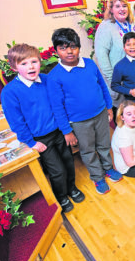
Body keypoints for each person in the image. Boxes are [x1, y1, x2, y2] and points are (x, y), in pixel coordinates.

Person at [1, 43, 82, 212]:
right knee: (57, 170)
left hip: (59, 132)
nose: (30, 66)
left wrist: (67, 129)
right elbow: (16, 121)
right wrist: (30, 142)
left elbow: (60, 104)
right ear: (14, 67)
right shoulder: (10, 92)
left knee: (68, 162)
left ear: (40, 62)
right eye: (23, 64)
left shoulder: (46, 80)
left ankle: (71, 188)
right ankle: (61, 196)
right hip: (41, 139)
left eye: (33, 62)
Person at [47, 28, 122, 195]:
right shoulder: (54, 77)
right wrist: (67, 131)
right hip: (79, 122)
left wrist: (109, 107)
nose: (69, 51)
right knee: (88, 150)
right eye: (63, 48)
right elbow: (57, 106)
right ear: (56, 50)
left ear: (79, 47)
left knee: (104, 145)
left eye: (73, 46)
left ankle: (108, 168)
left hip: (101, 114)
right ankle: (97, 176)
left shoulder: (89, 63)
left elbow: (102, 85)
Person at [95, 0, 135, 112]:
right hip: (121, 83)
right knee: (125, 117)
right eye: (117, 6)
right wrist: (115, 81)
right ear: (111, 9)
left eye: (124, 6)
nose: (122, 9)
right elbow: (101, 57)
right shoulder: (105, 27)